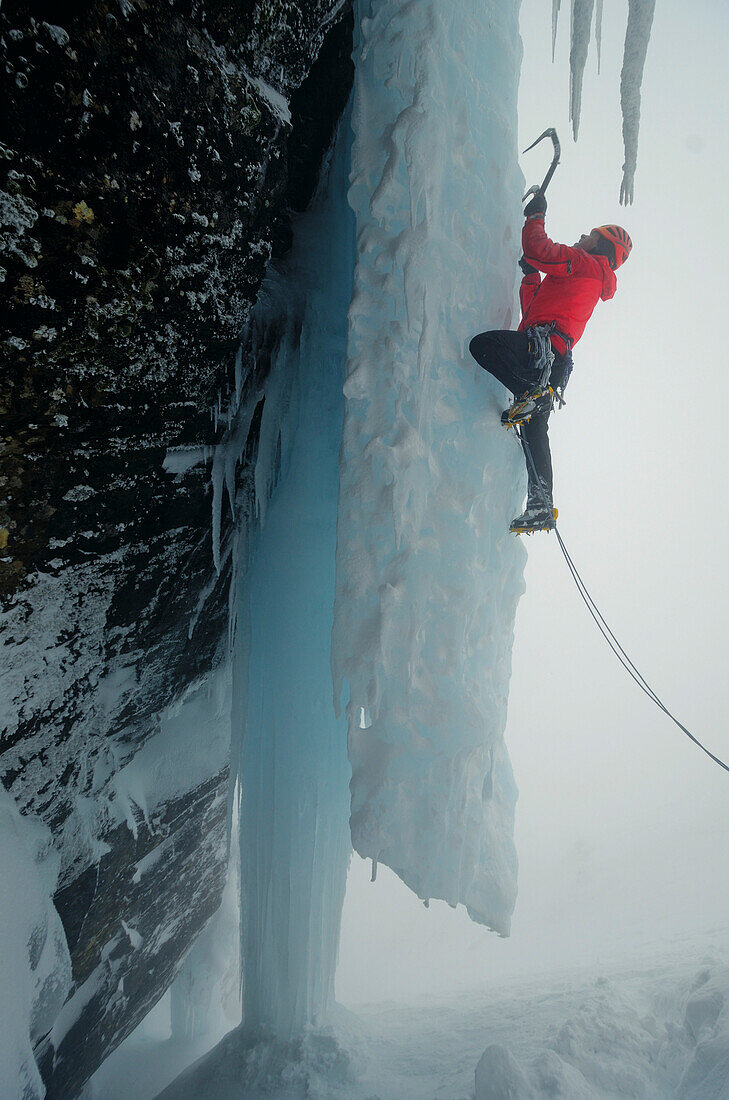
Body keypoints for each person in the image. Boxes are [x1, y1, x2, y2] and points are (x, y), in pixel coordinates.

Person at [469, 191, 631, 533]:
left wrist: (535, 217)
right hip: (552, 362)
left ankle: (533, 397)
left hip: (541, 353)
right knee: (533, 430)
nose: (582, 238)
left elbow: (540, 250)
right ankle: (541, 503)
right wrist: (531, 275)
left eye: (590, 236)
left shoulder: (586, 263)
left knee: (483, 345)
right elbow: (534, 312)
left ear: (600, 247)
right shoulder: (583, 277)